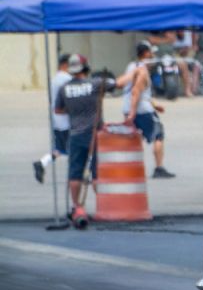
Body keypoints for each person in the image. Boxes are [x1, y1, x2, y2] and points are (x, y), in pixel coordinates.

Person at [55, 55, 128, 221]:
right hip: (96, 135)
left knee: (75, 173)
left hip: (76, 135)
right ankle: (104, 207)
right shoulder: (95, 84)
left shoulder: (64, 88)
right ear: (85, 67)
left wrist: (74, 112)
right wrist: (136, 71)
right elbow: (119, 83)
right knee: (97, 174)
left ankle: (76, 206)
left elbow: (58, 110)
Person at [123, 41, 174, 178]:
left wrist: (153, 104)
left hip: (128, 108)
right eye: (151, 52)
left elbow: (139, 91)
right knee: (158, 135)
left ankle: (129, 168)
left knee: (132, 138)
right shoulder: (143, 70)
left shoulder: (131, 66)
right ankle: (159, 168)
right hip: (141, 111)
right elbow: (136, 91)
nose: (153, 55)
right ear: (146, 53)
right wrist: (133, 112)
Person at [33, 54, 74, 184]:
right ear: (65, 65)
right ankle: (83, 174)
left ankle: (42, 162)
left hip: (56, 121)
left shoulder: (54, 79)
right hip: (67, 121)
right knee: (78, 147)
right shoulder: (67, 79)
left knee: (59, 149)